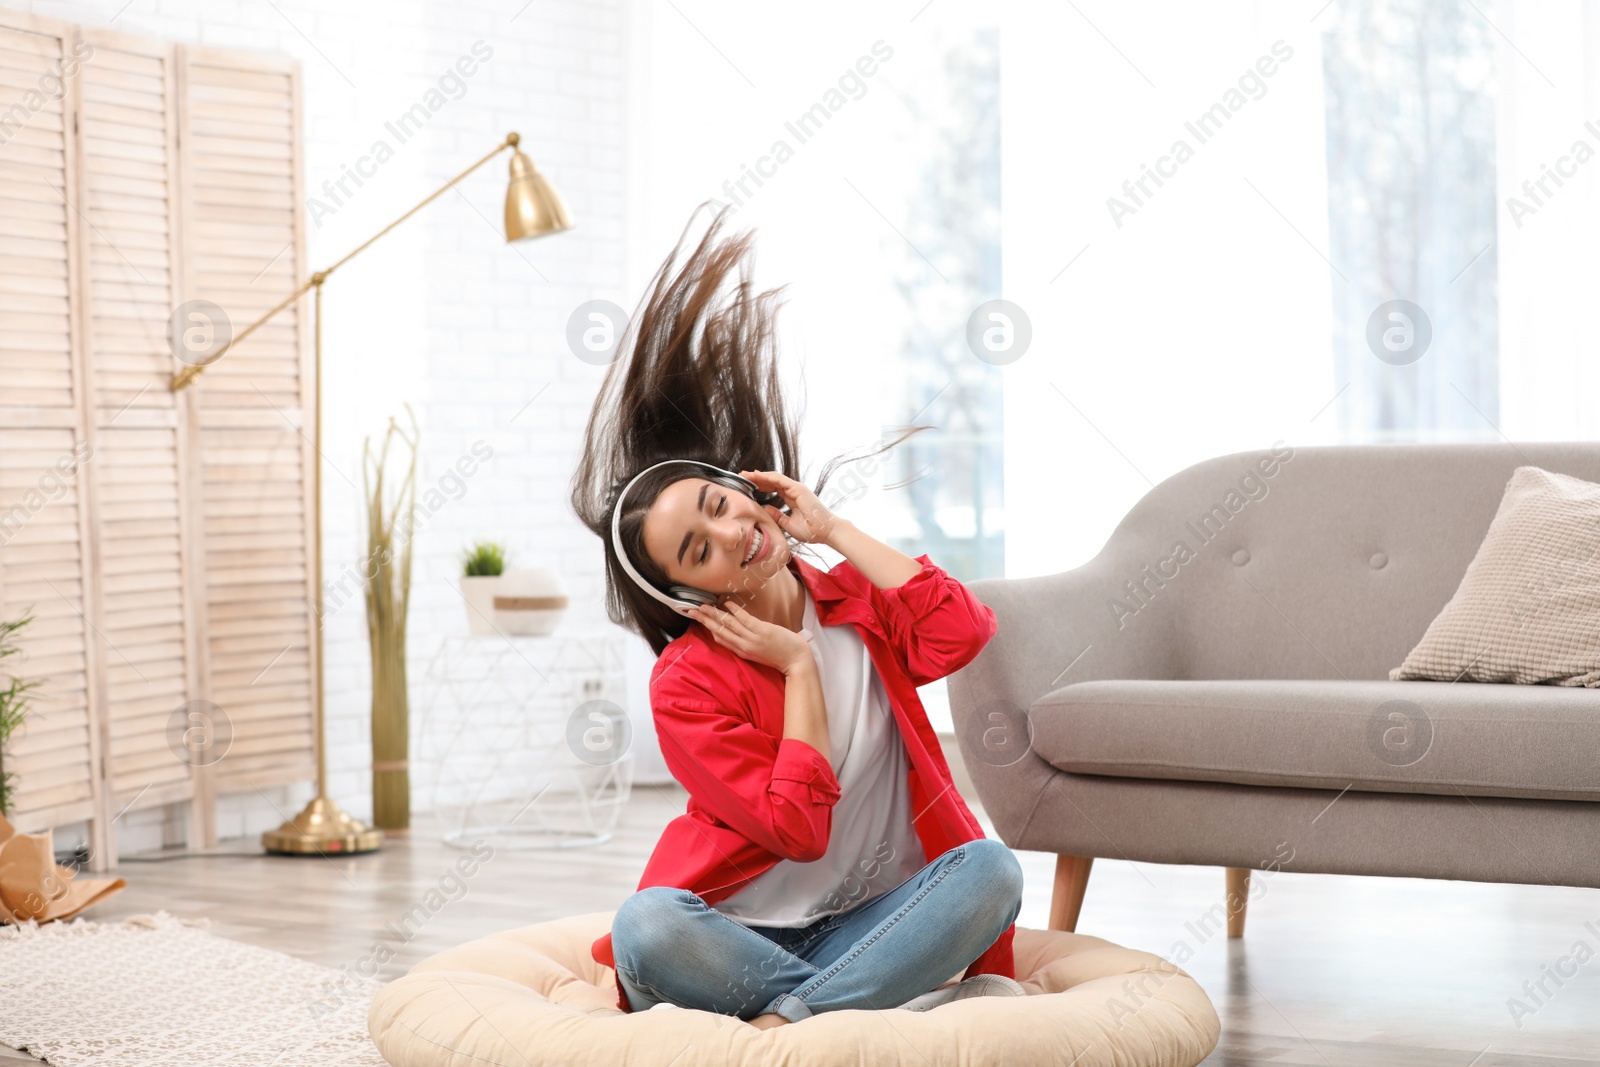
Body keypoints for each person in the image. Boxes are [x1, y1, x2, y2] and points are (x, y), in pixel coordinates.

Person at [569, 201, 1025, 1027]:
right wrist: (799, 668)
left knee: (990, 871)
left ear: (748, 489)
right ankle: (867, 1002)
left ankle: (789, 1021)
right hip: (734, 933)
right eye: (699, 550)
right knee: (646, 926)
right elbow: (798, 830)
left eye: (720, 504)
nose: (732, 532)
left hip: (869, 922)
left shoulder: (852, 596)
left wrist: (835, 531)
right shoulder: (686, 685)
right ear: (692, 595)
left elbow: (962, 631)